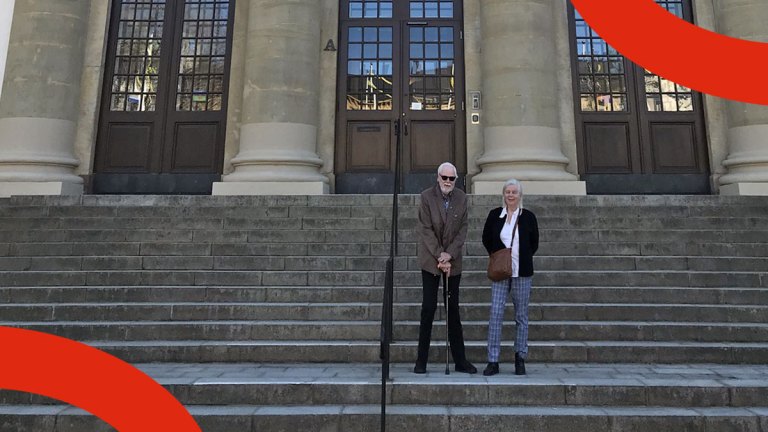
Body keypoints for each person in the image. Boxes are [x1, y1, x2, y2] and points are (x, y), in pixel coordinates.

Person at [413, 162, 477, 374]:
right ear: (437, 177)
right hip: (432, 260)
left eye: (451, 178)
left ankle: (460, 361)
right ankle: (421, 361)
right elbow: (425, 228)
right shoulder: (426, 197)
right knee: (428, 309)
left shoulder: (461, 198)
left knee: (453, 312)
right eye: (444, 177)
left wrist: (450, 254)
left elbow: (463, 229)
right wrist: (440, 254)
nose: (448, 182)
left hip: (453, 260)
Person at [481, 178, 539, 376]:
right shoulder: (495, 215)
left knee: (521, 316)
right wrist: (499, 255)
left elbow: (534, 243)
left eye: (514, 192)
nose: (511, 195)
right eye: (508, 192)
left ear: (520, 195)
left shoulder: (528, 217)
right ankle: (493, 360)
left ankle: (520, 357)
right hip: (500, 272)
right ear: (503, 194)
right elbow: (486, 238)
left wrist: (521, 257)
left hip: (522, 272)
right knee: (496, 314)